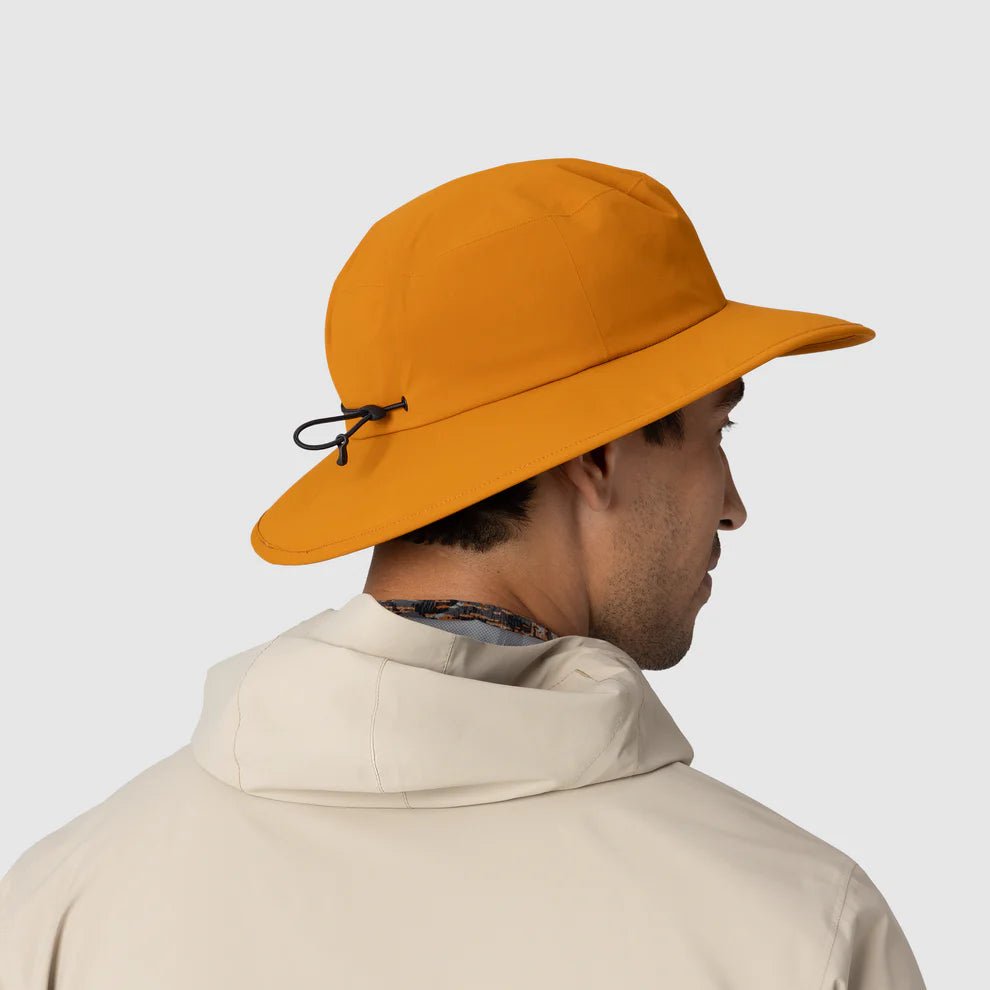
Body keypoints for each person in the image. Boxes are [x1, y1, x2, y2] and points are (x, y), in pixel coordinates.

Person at [0, 157, 927, 988]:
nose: (732, 505)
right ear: (596, 454)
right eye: (718, 430)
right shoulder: (796, 929)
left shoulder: (61, 911)